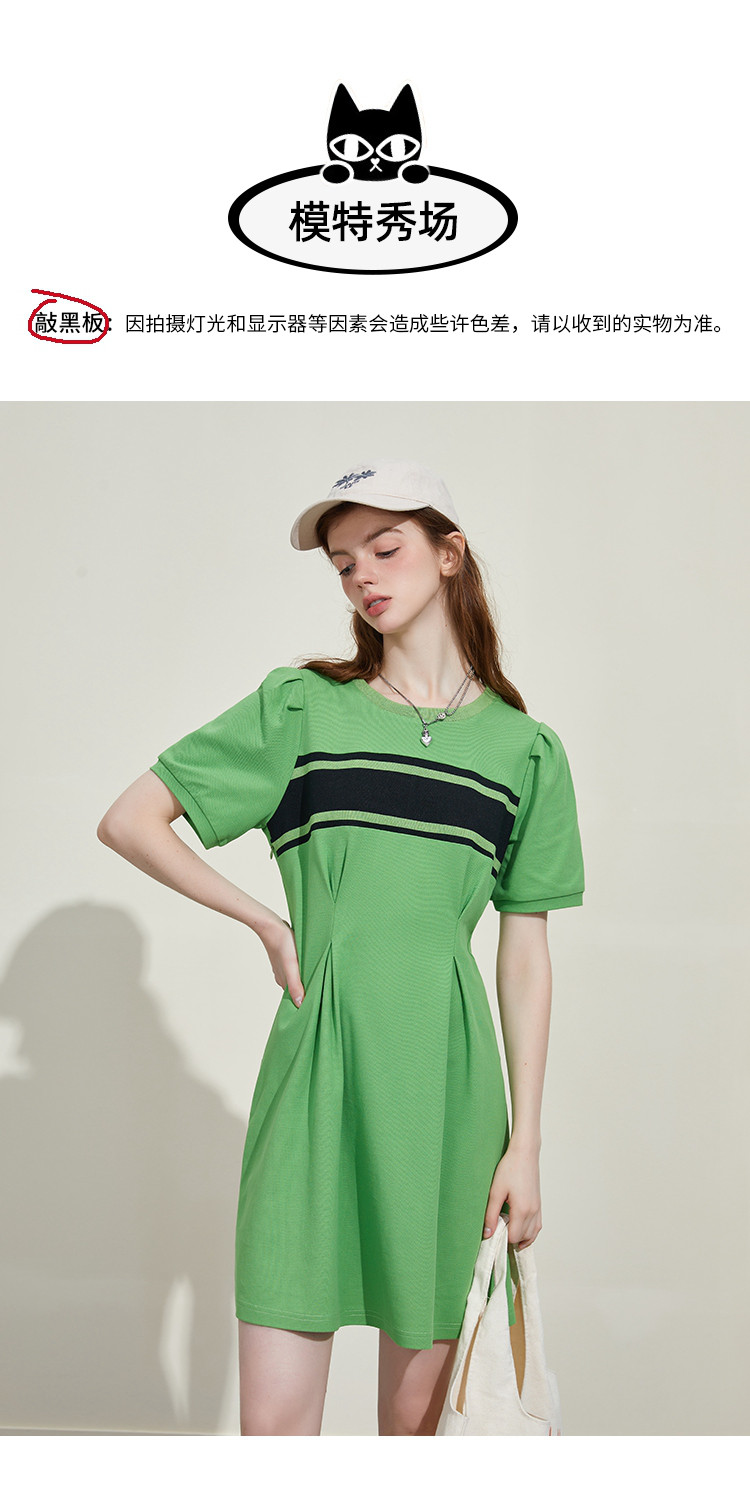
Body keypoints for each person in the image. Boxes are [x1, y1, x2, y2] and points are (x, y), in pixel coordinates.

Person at [97, 458, 585, 1436]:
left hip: (448, 1090)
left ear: (449, 555)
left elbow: (524, 954)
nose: (362, 573)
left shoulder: (525, 751)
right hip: (316, 1071)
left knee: (415, 1434)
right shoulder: (302, 708)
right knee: (277, 1433)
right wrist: (265, 920)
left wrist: (525, 1144)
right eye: (343, 561)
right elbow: (131, 819)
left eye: (385, 547)